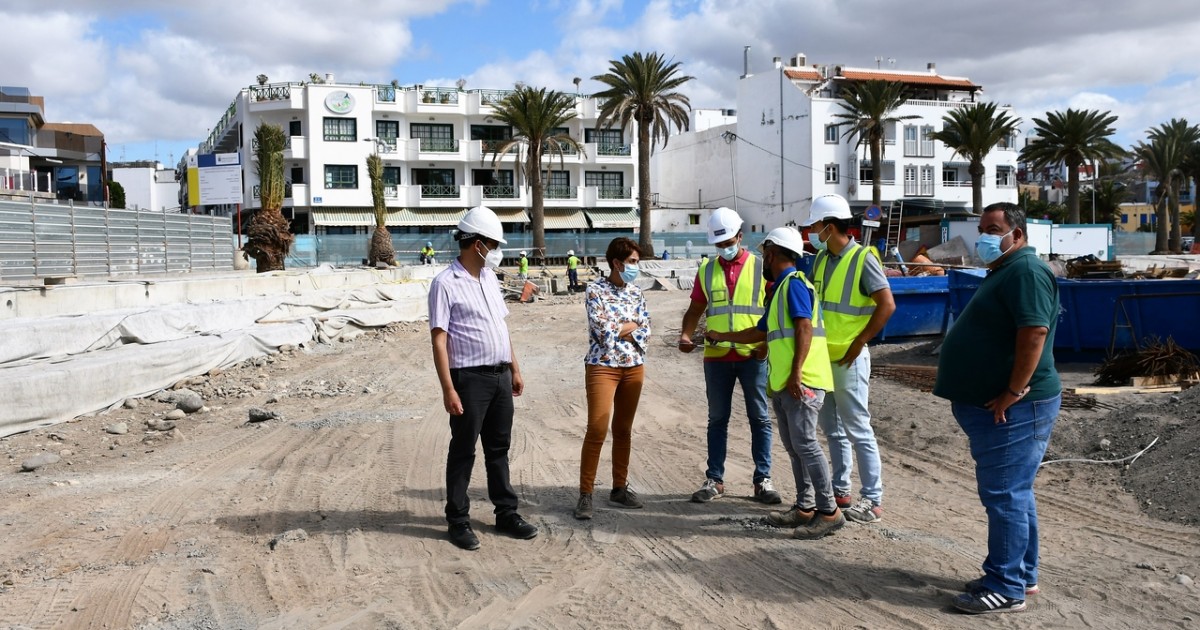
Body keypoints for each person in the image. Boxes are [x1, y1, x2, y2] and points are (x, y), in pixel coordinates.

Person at [934, 202, 1061, 614]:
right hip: (1001, 407)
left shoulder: (1025, 270)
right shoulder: (1008, 269)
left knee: (1005, 494)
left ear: (1017, 235)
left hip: (1015, 409)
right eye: (982, 228)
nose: (984, 237)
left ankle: (1006, 587)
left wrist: (1013, 390)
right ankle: (1021, 573)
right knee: (1015, 494)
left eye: (993, 229)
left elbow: (1034, 332)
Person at [706, 226, 843, 540]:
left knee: (806, 445)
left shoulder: (794, 284)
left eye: (764, 253)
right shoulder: (780, 288)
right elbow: (761, 330)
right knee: (796, 448)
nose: (762, 259)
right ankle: (805, 507)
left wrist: (796, 373)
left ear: (773, 252)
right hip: (785, 383)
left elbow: (804, 327)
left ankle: (829, 511)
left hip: (802, 381)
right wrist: (722, 337)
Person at [428, 206, 538, 551]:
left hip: (499, 376)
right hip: (469, 379)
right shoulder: (445, 284)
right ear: (477, 243)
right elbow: (439, 339)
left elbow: (500, 328)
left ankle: (506, 513)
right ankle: (458, 520)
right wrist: (448, 388)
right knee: (463, 450)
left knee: (498, 449)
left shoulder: (489, 279)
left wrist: (514, 367)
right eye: (493, 243)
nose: (496, 250)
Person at [801, 194, 896, 524]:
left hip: (849, 358)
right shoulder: (823, 260)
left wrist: (860, 342)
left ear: (829, 226)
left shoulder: (863, 258)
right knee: (833, 429)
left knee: (858, 428)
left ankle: (872, 500)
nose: (812, 231)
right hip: (824, 358)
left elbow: (887, 305)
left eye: (815, 226)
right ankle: (841, 491)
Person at [679, 207, 779, 505]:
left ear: (740, 235)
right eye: (719, 245)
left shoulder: (763, 268)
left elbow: (775, 310)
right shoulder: (707, 270)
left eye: (728, 242)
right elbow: (696, 309)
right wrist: (686, 335)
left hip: (754, 355)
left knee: (759, 418)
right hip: (716, 356)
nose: (725, 249)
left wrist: (767, 345)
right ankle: (715, 479)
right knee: (717, 419)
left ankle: (763, 480)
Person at [574, 237, 652, 519]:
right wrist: (630, 326)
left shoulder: (637, 292)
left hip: (633, 366)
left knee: (623, 430)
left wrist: (622, 327)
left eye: (636, 262)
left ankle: (619, 488)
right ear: (616, 263)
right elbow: (601, 330)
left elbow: (647, 328)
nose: (635, 267)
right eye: (632, 262)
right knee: (596, 428)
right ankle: (585, 493)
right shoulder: (595, 290)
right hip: (602, 366)